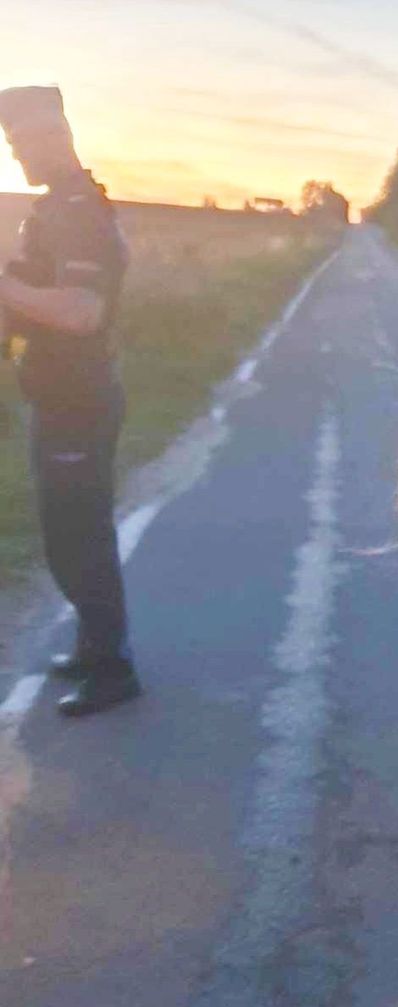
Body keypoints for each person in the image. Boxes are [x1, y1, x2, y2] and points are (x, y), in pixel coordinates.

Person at [0, 85, 140, 717]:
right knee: (70, 534)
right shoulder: (55, 208)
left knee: (79, 537)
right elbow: (31, 298)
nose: (14, 153)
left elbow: (82, 312)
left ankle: (112, 671)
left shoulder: (80, 211)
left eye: (20, 141)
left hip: (78, 402)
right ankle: (92, 646)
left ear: (51, 136)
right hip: (57, 396)